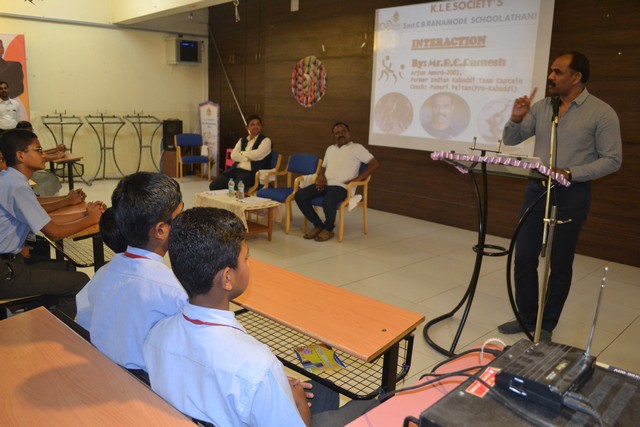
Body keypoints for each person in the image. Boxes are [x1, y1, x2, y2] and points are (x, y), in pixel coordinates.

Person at [143, 207, 376, 427]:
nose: (248, 263)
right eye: (246, 258)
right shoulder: (257, 365)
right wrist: (298, 403)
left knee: (324, 390)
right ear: (227, 278)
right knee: (370, 403)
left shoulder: (155, 334)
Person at [498, 52, 622, 341]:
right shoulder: (543, 107)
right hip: (537, 190)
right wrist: (516, 119)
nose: (550, 77)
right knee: (525, 255)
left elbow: (613, 160)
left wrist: (571, 172)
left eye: (558, 72)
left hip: (571, 193)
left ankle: (546, 323)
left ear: (576, 77)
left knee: (559, 262)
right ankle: (527, 317)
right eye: (551, 71)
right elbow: (511, 139)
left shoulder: (602, 113)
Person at [75, 172, 187, 382]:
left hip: (105, 374)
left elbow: (83, 320)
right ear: (160, 230)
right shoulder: (173, 291)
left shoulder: (103, 274)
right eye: (180, 217)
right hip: (150, 389)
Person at [0, 129, 105, 318]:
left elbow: (45, 219)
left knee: (65, 268)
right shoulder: (16, 186)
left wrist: (84, 213)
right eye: (38, 150)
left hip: (10, 263)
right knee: (79, 281)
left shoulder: (9, 179)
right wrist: (90, 219)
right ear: (20, 155)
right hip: (6, 273)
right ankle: (57, 332)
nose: (43, 155)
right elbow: (54, 232)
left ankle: (43, 319)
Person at [295, 122, 379, 242]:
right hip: (325, 184)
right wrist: (321, 176)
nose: (341, 135)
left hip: (342, 187)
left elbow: (374, 164)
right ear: (334, 135)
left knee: (328, 201)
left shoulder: (357, 148)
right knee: (300, 195)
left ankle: (328, 229)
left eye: (343, 131)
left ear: (348, 133)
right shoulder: (330, 149)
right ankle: (318, 225)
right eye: (337, 133)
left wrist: (356, 180)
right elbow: (324, 167)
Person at [209, 115, 272, 191]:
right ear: (247, 128)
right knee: (214, 185)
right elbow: (233, 155)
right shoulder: (242, 140)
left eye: (258, 124)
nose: (256, 126)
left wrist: (241, 153)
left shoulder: (266, 141)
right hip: (235, 170)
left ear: (261, 127)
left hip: (251, 173)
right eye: (252, 124)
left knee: (235, 188)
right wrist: (247, 158)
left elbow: (257, 155)